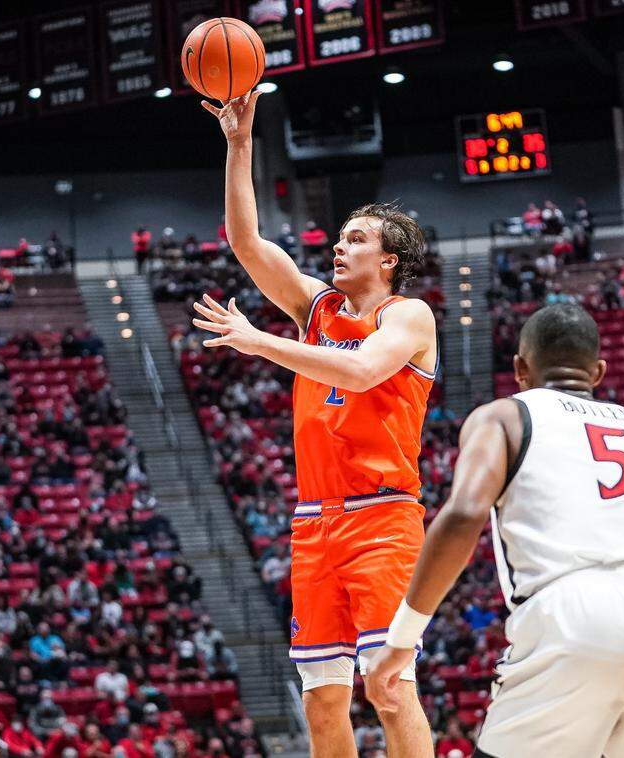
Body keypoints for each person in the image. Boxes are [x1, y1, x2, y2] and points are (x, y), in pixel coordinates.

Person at [365, 303, 624, 757]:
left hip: (570, 614)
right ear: (598, 372)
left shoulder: (503, 416)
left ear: (520, 368)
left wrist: (401, 640)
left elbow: (463, 515)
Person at [200, 90, 436, 758]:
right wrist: (239, 143)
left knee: (390, 689)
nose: (338, 245)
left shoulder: (408, 316)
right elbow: (246, 243)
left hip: (382, 518)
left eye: (356, 238)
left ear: (388, 260)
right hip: (314, 523)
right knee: (322, 701)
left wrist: (259, 342)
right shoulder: (317, 307)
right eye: (339, 236)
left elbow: (360, 372)